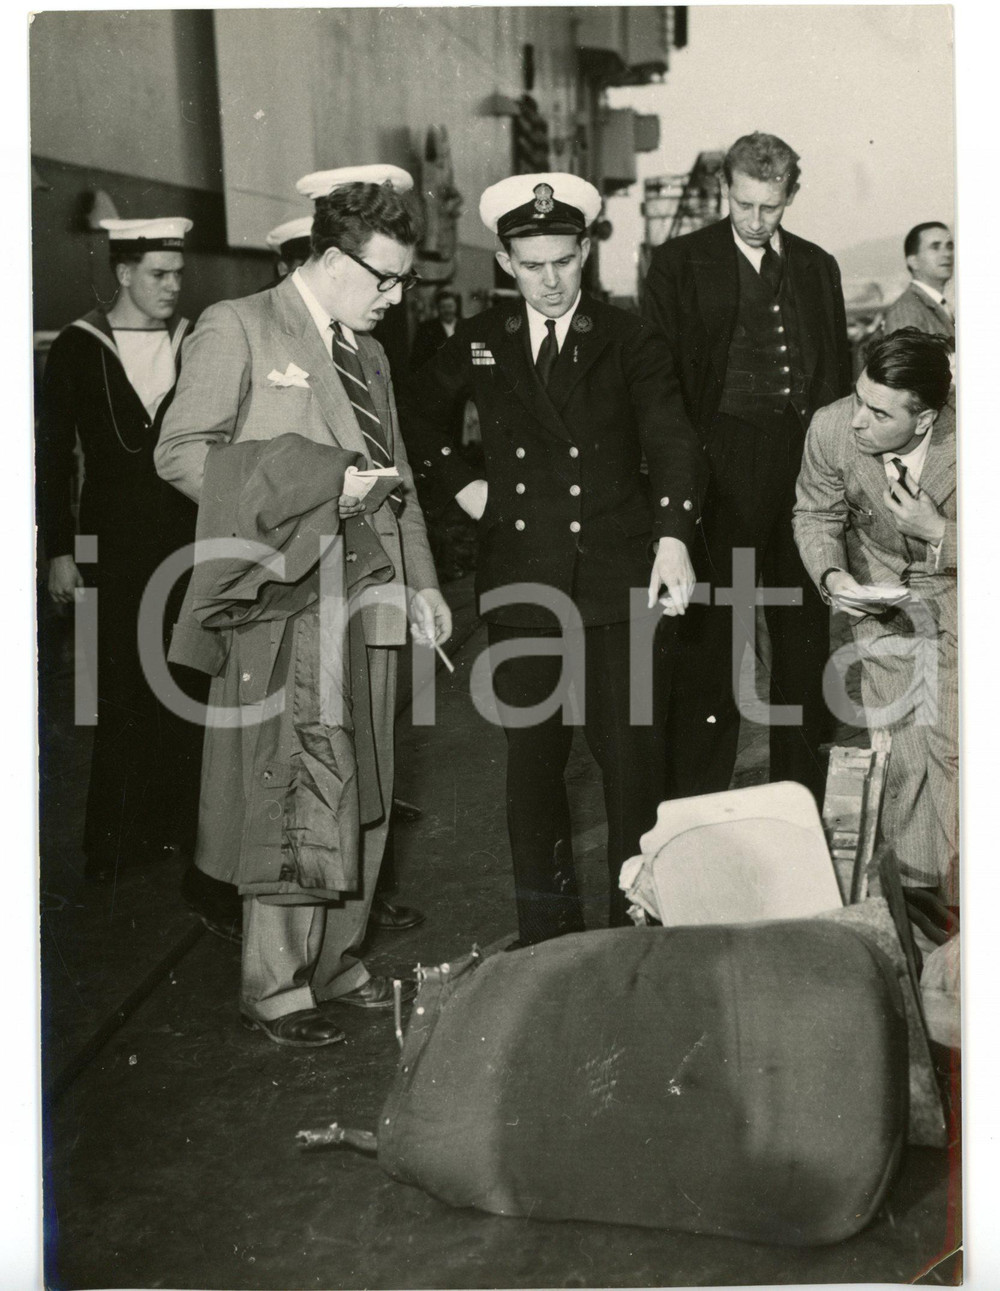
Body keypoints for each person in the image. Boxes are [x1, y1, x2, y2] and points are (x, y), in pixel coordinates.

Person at [156, 166, 450, 1048]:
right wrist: (302, 489)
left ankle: (338, 959)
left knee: (368, 781)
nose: (395, 297)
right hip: (290, 592)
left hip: (376, 593)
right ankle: (277, 983)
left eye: (402, 280)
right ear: (327, 259)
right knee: (297, 785)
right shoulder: (240, 327)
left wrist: (427, 582)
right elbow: (179, 453)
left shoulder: (374, 354)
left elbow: (399, 485)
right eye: (382, 278)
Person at [398, 172, 706, 946]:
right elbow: (415, 415)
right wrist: (463, 485)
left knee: (632, 768)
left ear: (585, 254)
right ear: (505, 262)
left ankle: (633, 930)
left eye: (563, 261)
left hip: (616, 581)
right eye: (531, 264)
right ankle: (547, 939)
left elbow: (672, 437)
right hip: (522, 582)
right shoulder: (480, 339)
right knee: (533, 766)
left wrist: (673, 535)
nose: (549, 279)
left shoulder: (630, 338)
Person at [642, 131, 852, 804]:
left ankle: (802, 808)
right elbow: (661, 384)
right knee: (709, 655)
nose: (757, 220)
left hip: (804, 469)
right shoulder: (679, 262)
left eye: (771, 206)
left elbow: (838, 378)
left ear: (791, 194)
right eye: (745, 204)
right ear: (725, 190)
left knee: (803, 648)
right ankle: (699, 811)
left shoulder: (819, 267)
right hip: (720, 467)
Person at [37, 216, 206, 885]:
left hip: (184, 538)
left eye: (178, 275)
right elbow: (53, 458)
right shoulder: (80, 347)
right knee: (117, 688)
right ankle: (113, 843)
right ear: (124, 273)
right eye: (159, 275)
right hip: (108, 541)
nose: (172, 287)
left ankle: (177, 830)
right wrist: (58, 549)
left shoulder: (193, 343)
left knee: (185, 680)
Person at [793, 328, 957, 906]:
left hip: (966, 595)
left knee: (957, 749)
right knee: (905, 758)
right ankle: (921, 904)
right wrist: (833, 577)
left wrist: (939, 532)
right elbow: (815, 513)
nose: (858, 419)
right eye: (859, 398)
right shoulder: (833, 426)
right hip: (884, 604)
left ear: (926, 418)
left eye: (878, 411)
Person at [881, 223, 955, 339]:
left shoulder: (937, 305)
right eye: (935, 247)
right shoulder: (906, 311)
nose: (947, 254)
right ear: (913, 261)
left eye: (949, 246)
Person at [409, 289, 461, 371]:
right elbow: (417, 359)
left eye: (450, 306)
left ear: (456, 307)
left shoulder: (466, 326)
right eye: (443, 307)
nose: (447, 310)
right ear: (438, 308)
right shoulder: (426, 329)